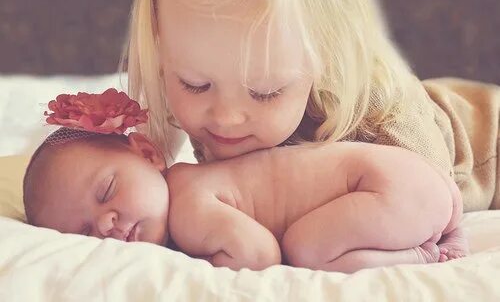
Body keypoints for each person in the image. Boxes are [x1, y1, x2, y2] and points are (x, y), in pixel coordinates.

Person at [122, 0, 499, 213]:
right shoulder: (201, 98)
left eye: (265, 93)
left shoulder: (380, 118)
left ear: (325, 55)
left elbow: (426, 198)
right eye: (194, 85)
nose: (226, 117)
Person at [23, 90, 467, 273]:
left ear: (148, 152)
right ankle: (444, 233)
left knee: (306, 248)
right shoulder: (188, 188)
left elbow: (258, 255)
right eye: (84, 232)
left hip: (383, 187)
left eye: (107, 192)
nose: (106, 225)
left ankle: (421, 254)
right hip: (410, 182)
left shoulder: (190, 205)